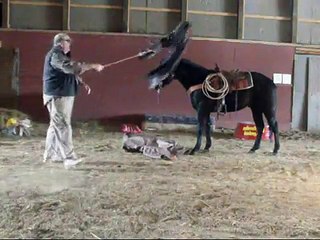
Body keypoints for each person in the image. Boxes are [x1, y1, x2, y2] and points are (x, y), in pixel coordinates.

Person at [42, 32, 104, 169]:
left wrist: (81, 82)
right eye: (68, 41)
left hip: (62, 94)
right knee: (62, 125)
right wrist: (92, 66)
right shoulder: (55, 55)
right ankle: (68, 158)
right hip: (58, 95)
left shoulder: (61, 55)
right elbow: (69, 67)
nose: (70, 44)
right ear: (60, 43)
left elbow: (69, 72)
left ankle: (52, 154)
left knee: (56, 125)